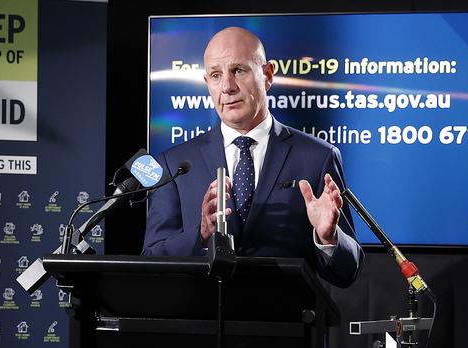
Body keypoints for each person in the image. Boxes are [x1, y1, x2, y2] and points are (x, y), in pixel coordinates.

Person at [143, 27, 363, 288]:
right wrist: (200, 236)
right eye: (216, 75)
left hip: (285, 324)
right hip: (201, 321)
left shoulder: (318, 157)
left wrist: (328, 239)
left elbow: (347, 273)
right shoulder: (175, 163)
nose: (227, 86)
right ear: (207, 84)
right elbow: (152, 260)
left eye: (238, 70)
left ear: (267, 75)